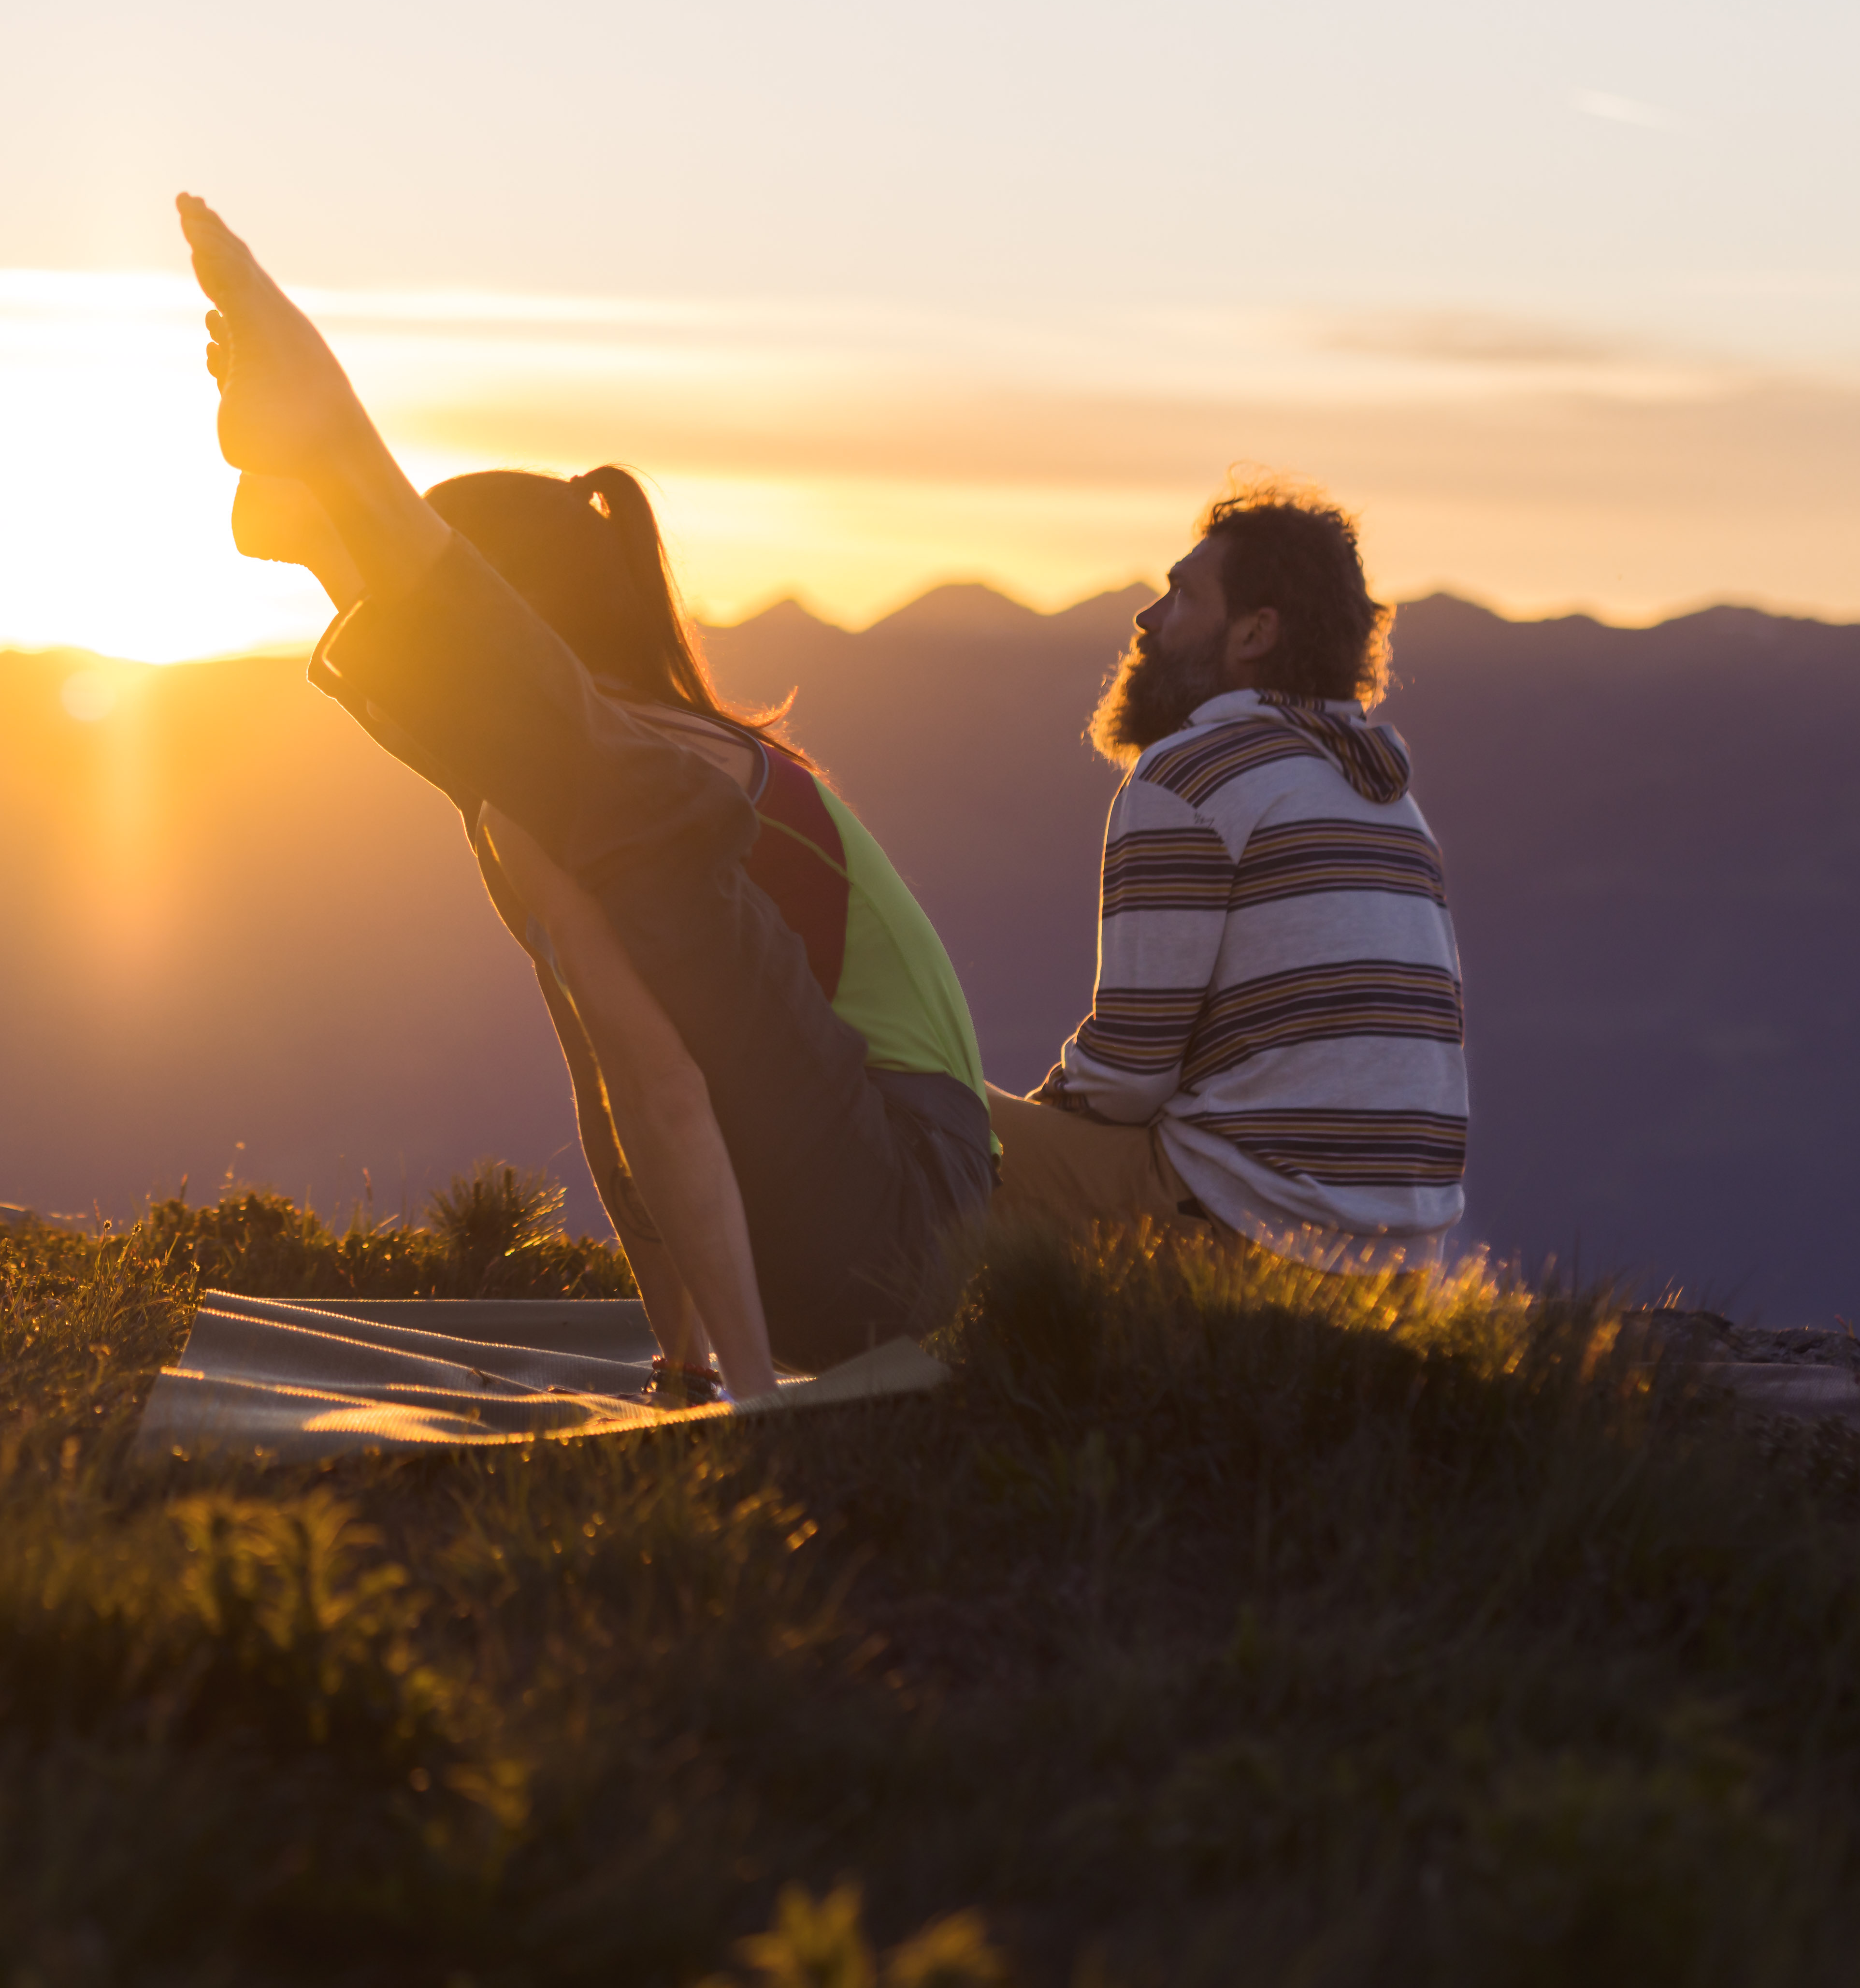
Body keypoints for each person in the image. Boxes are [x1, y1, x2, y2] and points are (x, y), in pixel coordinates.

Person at [180, 192, 995, 1391]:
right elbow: (609, 1068)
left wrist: (752, 1400)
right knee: (526, 767)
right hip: (865, 1204)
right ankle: (345, 489)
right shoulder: (580, 786)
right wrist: (681, 1350)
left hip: (915, 1223)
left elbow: (664, 1093)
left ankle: (352, 472)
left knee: (570, 768)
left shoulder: (665, 770)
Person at [994, 488, 1470, 1264]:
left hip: (1249, 1236)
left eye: (1181, 594)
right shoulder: (1389, 802)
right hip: (1400, 1269)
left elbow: (1127, 1079)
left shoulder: (1190, 774)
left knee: (932, 1116)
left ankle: (912, 1366)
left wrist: (1040, 1126)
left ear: (1255, 632)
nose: (1148, 619)